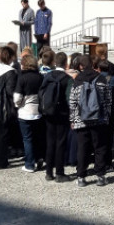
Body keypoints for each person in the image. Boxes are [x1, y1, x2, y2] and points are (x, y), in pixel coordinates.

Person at [68, 54, 112, 188]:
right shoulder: (101, 78)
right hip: (99, 119)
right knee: (100, 147)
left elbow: (73, 102)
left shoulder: (77, 80)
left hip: (81, 120)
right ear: (92, 65)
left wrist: (72, 119)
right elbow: (108, 100)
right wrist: (107, 116)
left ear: (81, 66)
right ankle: (100, 176)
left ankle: (81, 177)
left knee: (83, 148)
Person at [39, 51, 72, 183]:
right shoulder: (67, 78)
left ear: (55, 62)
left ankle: (48, 172)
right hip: (62, 114)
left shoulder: (48, 76)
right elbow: (69, 99)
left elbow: (41, 92)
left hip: (49, 113)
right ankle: (59, 172)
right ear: (65, 63)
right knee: (61, 142)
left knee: (50, 142)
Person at [14, 54, 44, 173]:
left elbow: (17, 98)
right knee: (37, 137)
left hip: (25, 112)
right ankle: (39, 158)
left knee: (27, 139)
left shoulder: (22, 78)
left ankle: (29, 164)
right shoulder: (40, 77)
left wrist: (18, 105)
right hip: (38, 111)